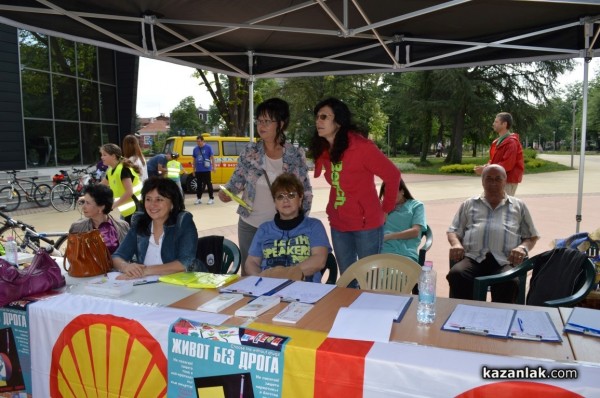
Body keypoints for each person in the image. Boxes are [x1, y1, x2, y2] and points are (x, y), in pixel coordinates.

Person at [309, 97, 400, 281]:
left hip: (366, 225)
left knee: (370, 279)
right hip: (339, 224)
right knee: (347, 280)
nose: (318, 121)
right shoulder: (326, 148)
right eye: (317, 117)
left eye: (324, 116)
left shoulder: (362, 147)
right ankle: (349, 310)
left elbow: (393, 175)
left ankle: (370, 310)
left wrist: (386, 209)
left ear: (339, 121)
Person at [218, 98, 312, 275]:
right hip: (250, 224)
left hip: (284, 227)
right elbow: (236, 181)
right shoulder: (250, 151)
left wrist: (300, 222)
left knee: (281, 274)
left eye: (267, 121)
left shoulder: (295, 154)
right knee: (251, 275)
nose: (261, 125)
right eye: (259, 121)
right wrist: (227, 193)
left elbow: (305, 192)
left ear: (281, 124)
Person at [446, 164, 539, 303]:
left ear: (505, 181)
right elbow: (453, 230)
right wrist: (456, 244)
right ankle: (466, 314)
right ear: (482, 181)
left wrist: (522, 248)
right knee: (457, 274)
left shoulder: (518, 205)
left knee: (509, 281)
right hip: (473, 257)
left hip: (504, 260)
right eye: (488, 178)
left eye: (498, 179)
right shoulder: (469, 203)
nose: (493, 183)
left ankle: (499, 319)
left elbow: (531, 236)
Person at [112, 177, 204, 278]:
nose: (152, 205)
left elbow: (185, 262)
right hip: (147, 285)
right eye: (148, 199)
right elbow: (117, 256)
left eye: (159, 199)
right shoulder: (140, 222)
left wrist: (145, 271)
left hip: (183, 284)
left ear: (172, 203)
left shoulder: (183, 222)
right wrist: (126, 267)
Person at [245, 173, 330, 282]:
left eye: (291, 195)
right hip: (268, 288)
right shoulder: (264, 229)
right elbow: (251, 262)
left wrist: (282, 275)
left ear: (300, 198)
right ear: (275, 202)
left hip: (304, 290)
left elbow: (319, 260)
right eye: (280, 196)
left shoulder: (314, 226)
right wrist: (261, 279)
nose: (285, 200)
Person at [68, 184, 129, 254]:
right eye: (83, 202)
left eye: (88, 203)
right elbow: (72, 255)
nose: (83, 207)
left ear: (101, 207)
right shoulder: (77, 227)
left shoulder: (122, 226)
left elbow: (131, 253)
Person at [474, 112, 524, 196]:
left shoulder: (511, 142)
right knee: (491, 204)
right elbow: (494, 161)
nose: (493, 124)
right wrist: (486, 166)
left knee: (502, 207)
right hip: (498, 179)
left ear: (504, 124)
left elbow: (507, 164)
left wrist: (486, 170)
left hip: (507, 181)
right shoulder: (499, 141)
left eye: (496, 122)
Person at [380, 180, 426, 264]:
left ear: (402, 191)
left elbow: (415, 232)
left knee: (394, 275)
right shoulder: (380, 207)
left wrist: (389, 236)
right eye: (386, 193)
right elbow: (372, 230)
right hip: (381, 251)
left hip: (405, 253)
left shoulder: (416, 206)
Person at [100, 143, 142, 225]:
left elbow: (129, 192)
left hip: (136, 209)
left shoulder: (123, 169)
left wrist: (112, 206)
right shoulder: (111, 171)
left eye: (104, 155)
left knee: (132, 235)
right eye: (101, 155)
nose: (102, 157)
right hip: (127, 210)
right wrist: (87, 196)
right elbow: (100, 186)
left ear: (113, 156)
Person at [193, 135, 215, 205]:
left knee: (209, 184)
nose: (198, 143)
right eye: (197, 141)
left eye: (199, 141)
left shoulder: (208, 147)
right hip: (198, 170)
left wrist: (214, 167)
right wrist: (193, 170)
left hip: (206, 169)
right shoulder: (195, 149)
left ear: (203, 141)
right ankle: (199, 199)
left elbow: (212, 157)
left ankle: (211, 198)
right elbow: (194, 160)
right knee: (199, 185)